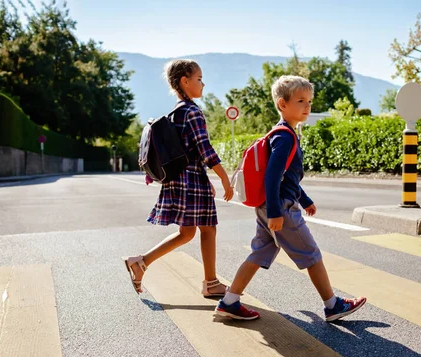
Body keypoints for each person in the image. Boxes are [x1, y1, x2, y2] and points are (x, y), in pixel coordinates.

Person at [215, 75, 366, 322]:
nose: (307, 107)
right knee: (312, 254)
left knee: (258, 254)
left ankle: (229, 301)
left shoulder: (284, 133)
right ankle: (332, 305)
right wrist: (276, 212)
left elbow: (287, 177)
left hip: (270, 205)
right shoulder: (285, 136)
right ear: (282, 104)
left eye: (309, 101)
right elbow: (272, 176)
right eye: (300, 101)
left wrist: (304, 199)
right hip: (280, 208)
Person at [124, 59, 233, 298]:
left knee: (188, 232)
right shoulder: (192, 112)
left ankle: (140, 262)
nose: (203, 84)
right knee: (208, 229)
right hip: (190, 180)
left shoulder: (174, 112)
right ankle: (211, 282)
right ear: (185, 81)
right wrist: (224, 179)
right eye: (199, 79)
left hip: (179, 179)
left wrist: (207, 182)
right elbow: (204, 149)